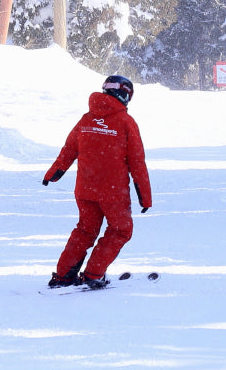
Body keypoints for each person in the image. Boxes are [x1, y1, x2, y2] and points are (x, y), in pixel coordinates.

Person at [42, 74, 153, 289]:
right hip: (113, 193)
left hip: (85, 189)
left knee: (85, 229)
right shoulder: (126, 123)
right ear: (125, 96)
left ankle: (64, 275)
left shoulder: (86, 119)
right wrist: (145, 198)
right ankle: (94, 274)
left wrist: (53, 173)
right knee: (121, 230)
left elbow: (69, 150)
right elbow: (137, 163)